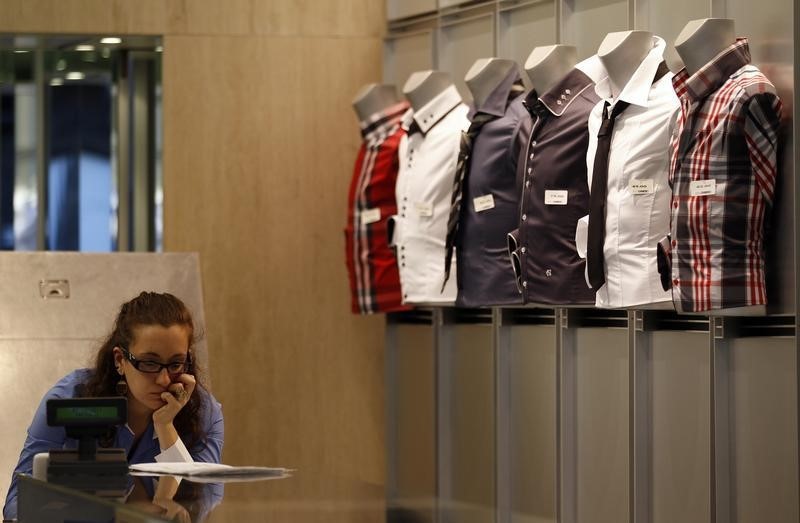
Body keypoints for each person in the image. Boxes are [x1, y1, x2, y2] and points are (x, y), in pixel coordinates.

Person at [3, 291, 224, 520]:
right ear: (120, 360)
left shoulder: (204, 412)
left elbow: (205, 503)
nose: (164, 379)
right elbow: (17, 503)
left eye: (176, 363)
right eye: (149, 362)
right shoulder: (71, 397)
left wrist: (165, 425)